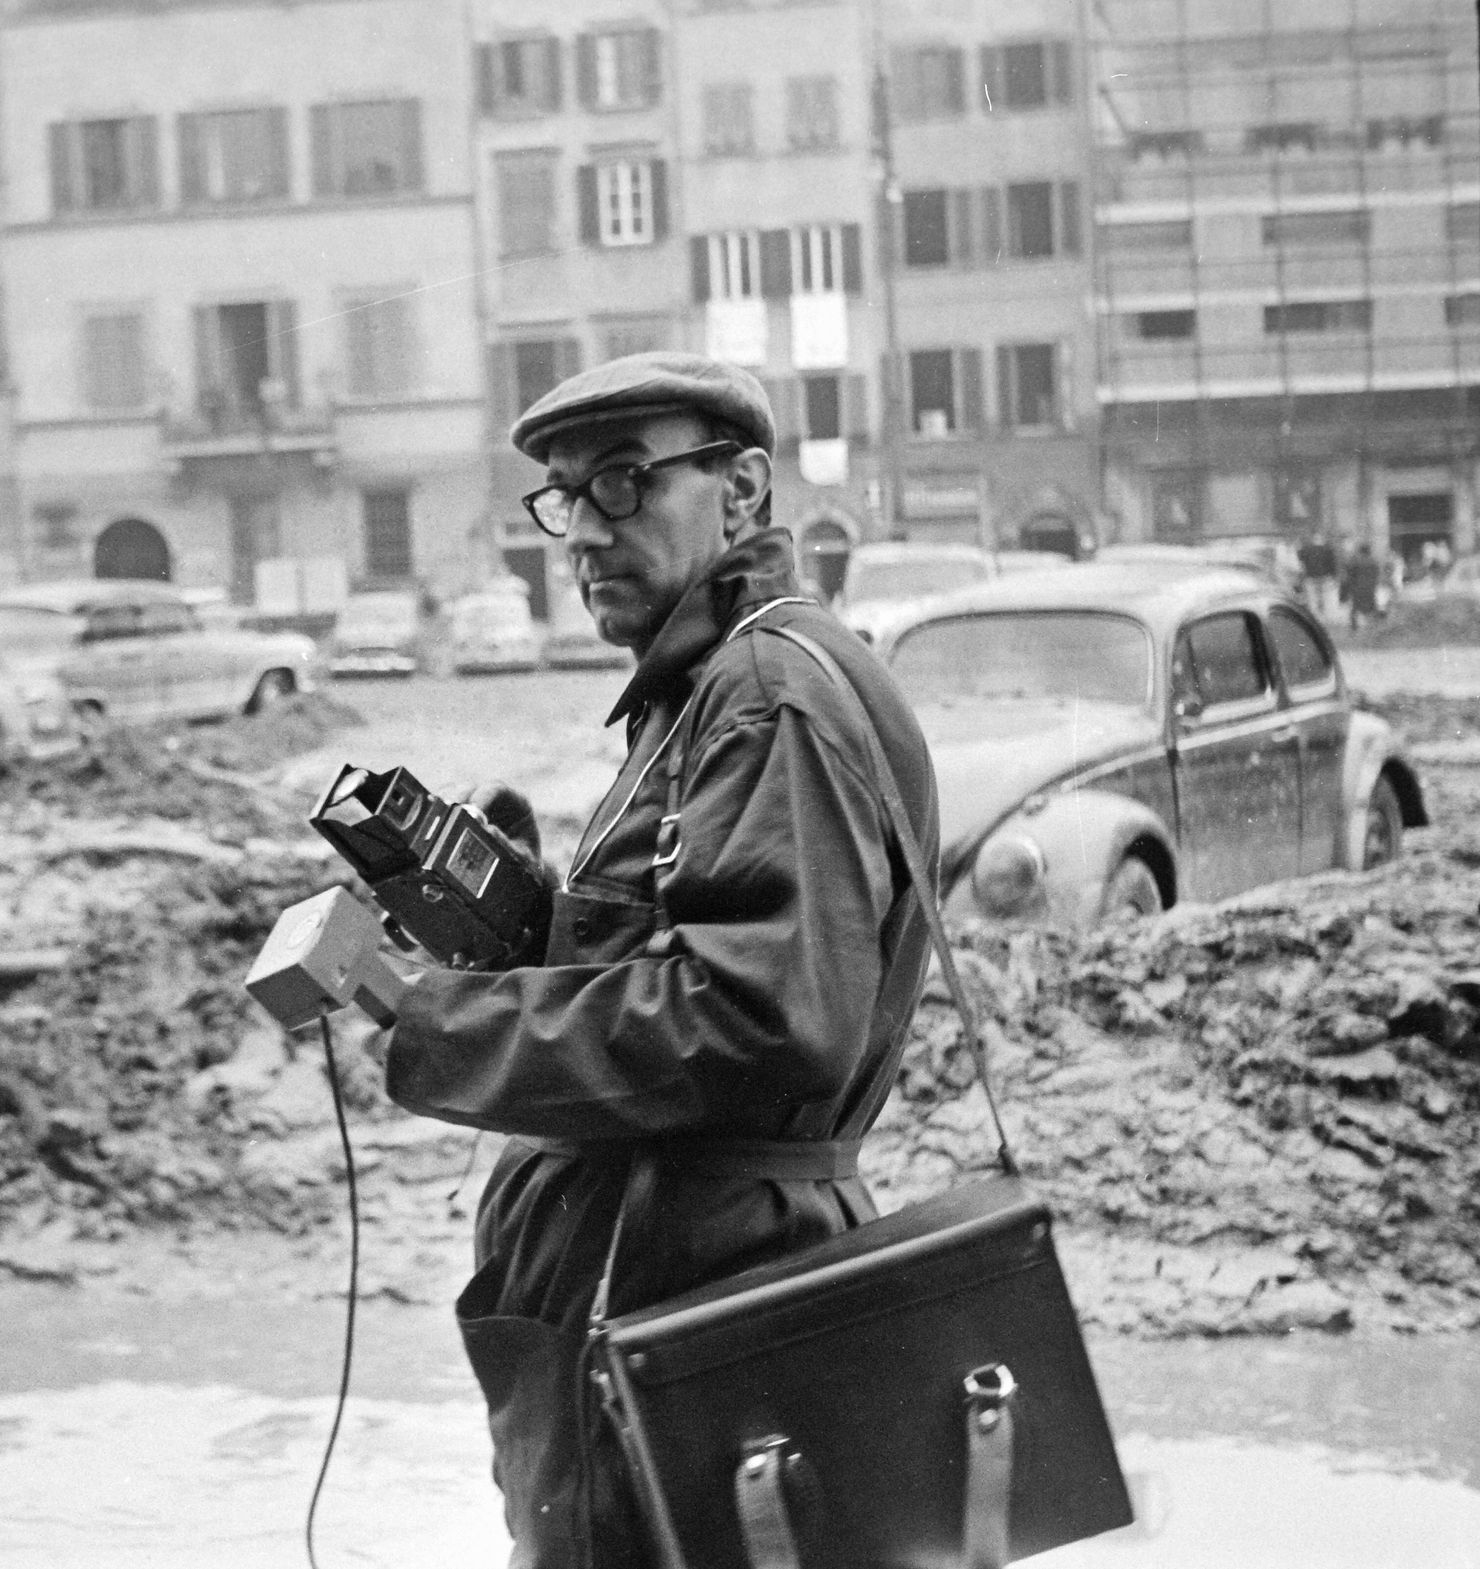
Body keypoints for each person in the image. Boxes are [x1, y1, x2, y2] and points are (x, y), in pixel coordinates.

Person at [373, 353, 939, 1569]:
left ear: (740, 492)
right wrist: (533, 932)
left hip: (703, 1297)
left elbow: (756, 1020)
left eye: (624, 483)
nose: (582, 530)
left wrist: (441, 1029)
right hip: (655, 1296)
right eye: (565, 497)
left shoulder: (767, 694)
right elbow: (694, 955)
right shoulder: (705, 692)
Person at [1343, 541, 1382, 629]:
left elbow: (1349, 573)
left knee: (1355, 607)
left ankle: (1354, 626)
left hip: (1358, 587)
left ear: (1360, 551)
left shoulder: (1355, 561)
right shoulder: (1374, 561)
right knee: (1372, 606)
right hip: (1370, 588)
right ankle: (1374, 624)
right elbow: (1376, 575)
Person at [1297, 533, 1337, 620]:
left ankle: (1314, 614)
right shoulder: (1328, 549)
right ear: (1322, 540)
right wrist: (1333, 575)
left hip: (1310, 575)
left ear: (1313, 540)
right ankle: (1322, 610)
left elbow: (1300, 559)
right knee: (1323, 593)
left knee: (1313, 594)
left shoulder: (1306, 549)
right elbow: (1332, 563)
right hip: (1324, 575)